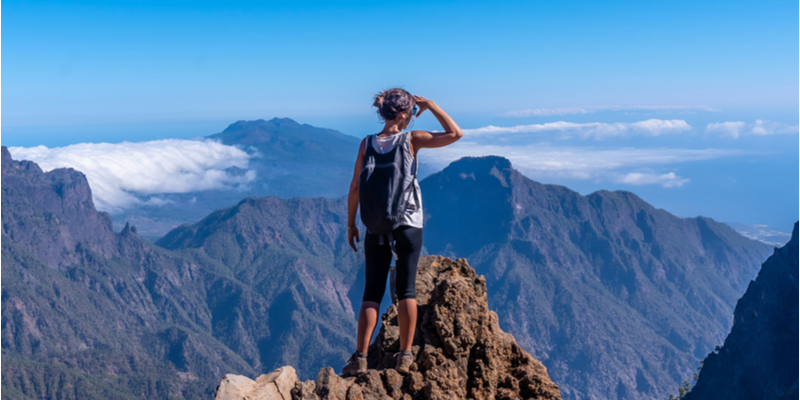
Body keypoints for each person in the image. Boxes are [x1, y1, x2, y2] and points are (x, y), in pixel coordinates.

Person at [342, 88, 463, 376]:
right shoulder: (412, 139)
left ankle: (360, 358)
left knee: (371, 292)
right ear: (406, 113)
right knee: (406, 289)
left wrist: (351, 224)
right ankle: (405, 356)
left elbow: (355, 187)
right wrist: (431, 104)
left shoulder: (366, 143)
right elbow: (455, 133)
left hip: (374, 225)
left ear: (383, 112)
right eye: (411, 113)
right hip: (408, 223)